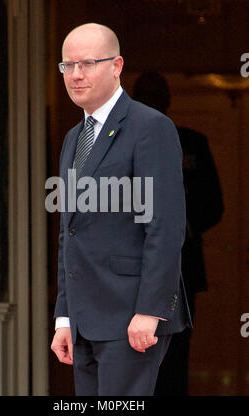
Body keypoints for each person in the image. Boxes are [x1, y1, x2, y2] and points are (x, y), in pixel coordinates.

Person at [50, 23, 192, 396]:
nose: (76, 75)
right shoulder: (73, 138)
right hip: (83, 324)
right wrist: (64, 317)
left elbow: (165, 226)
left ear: (116, 66)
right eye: (68, 66)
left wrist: (151, 310)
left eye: (87, 63)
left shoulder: (150, 128)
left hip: (131, 319)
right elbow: (70, 231)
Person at [133, 71, 224, 395]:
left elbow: (214, 204)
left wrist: (181, 224)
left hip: (181, 268)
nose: (152, 101)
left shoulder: (192, 143)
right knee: (131, 357)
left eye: (158, 94)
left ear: (169, 99)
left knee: (174, 355)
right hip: (129, 268)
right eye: (145, 94)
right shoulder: (116, 142)